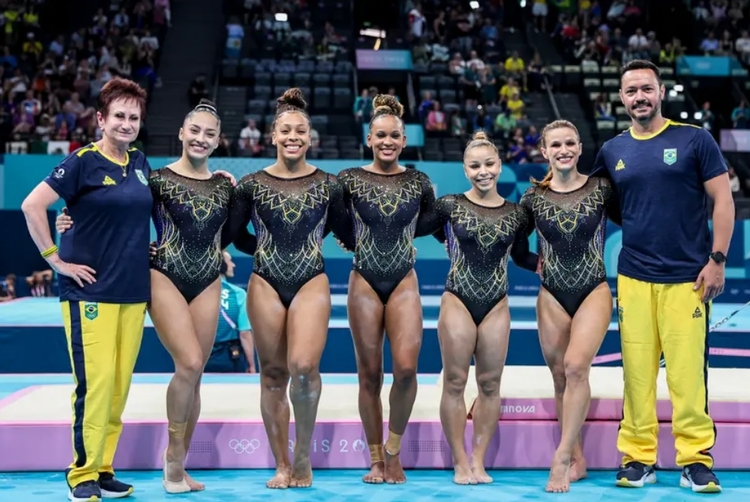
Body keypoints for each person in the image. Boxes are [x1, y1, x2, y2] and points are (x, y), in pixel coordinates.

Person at [54, 98, 247, 495]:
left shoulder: (225, 186)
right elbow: (114, 212)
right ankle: (169, 466)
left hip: (208, 277)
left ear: (218, 141)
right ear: (181, 133)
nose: (200, 138)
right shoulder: (151, 178)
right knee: (190, 362)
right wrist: (67, 221)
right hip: (164, 276)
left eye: (210, 134)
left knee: (196, 376)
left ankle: (178, 462)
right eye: (194, 130)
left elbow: (229, 235)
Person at [591, 59, 734, 494]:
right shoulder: (612, 151)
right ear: (622, 98)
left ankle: (695, 459)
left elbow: (723, 199)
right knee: (636, 373)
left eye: (646, 89)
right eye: (631, 90)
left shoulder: (695, 139)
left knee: (688, 375)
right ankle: (638, 457)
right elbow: (598, 204)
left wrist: (718, 259)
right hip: (634, 278)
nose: (640, 97)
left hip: (688, 279)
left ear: (661, 91)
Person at [22, 77, 151, 502]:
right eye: (119, 116)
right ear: (101, 118)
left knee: (118, 386)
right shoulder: (81, 162)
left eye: (133, 117)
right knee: (93, 384)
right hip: (89, 293)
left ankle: (105, 465)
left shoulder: (141, 164)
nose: (127, 124)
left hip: (133, 293)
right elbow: (32, 205)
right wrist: (55, 258)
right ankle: (82, 472)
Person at [224, 88, 353, 489]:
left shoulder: (330, 185)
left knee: (303, 367)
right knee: (273, 374)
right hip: (265, 281)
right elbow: (233, 234)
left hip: (310, 279)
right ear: (273, 135)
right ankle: (282, 463)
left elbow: (347, 230)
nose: (293, 136)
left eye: (300, 130)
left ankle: (303, 453)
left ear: (309, 138)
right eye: (286, 130)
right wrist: (263, 247)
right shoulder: (251, 185)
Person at [418, 131, 537, 484]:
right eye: (475, 166)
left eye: (488, 164)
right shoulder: (449, 206)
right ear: (465, 170)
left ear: (499, 166)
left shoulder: (517, 214)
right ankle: (459, 461)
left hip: (497, 303)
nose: (483, 171)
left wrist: (551, 264)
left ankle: (479, 460)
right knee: (455, 381)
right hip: (457, 298)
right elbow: (408, 226)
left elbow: (521, 256)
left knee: (489, 384)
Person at [336, 94, 436, 484]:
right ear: (369, 138)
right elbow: (330, 219)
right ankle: (376, 459)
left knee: (408, 369)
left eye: (394, 135)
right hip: (364, 279)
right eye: (380, 135)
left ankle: (394, 451)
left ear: (404, 139)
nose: (387, 141)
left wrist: (404, 236)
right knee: (370, 376)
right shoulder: (349, 180)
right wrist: (350, 241)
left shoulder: (418, 182)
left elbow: (429, 222)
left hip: (403, 280)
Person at [519, 119, 620, 493]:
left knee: (577, 367)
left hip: (593, 288)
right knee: (561, 377)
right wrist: (534, 264)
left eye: (570, 143)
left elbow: (637, 220)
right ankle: (578, 457)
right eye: (555, 145)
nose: (563, 150)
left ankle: (560, 457)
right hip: (552, 294)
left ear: (580, 147)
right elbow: (515, 247)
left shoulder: (601, 189)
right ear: (543, 151)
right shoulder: (532, 198)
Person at [205, 250, 257, 373]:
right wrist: (252, 365)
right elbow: (244, 333)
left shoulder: (200, 293)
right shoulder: (238, 293)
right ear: (220, 264)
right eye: (229, 261)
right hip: (229, 357)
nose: (233, 265)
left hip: (202, 357)